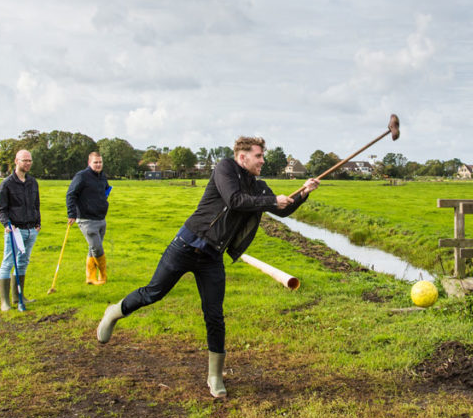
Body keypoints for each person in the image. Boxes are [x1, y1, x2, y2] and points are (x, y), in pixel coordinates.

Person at [96, 136, 319, 398]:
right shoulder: (224, 168)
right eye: (258, 156)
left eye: (262, 156)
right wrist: (270, 201)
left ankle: (214, 377)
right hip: (186, 245)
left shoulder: (259, 187)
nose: (263, 160)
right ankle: (114, 312)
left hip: (213, 256)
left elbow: (281, 210)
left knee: (214, 315)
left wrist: (303, 192)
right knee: (153, 293)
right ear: (242, 157)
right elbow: (235, 200)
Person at [0, 150, 41, 311]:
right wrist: (6, 225)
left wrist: (38, 223)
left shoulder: (33, 182)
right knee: (8, 263)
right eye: (24, 160)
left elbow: (36, 204)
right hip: (15, 230)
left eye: (29, 161)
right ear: (16, 161)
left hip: (31, 229)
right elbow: (1, 209)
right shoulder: (7, 184)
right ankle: (5, 301)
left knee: (23, 263)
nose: (27, 163)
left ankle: (18, 297)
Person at [66, 151, 111, 285]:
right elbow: (71, 194)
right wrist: (71, 214)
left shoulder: (102, 177)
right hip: (86, 219)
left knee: (93, 248)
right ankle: (103, 275)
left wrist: (103, 201)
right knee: (97, 248)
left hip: (101, 218)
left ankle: (90, 277)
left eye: (100, 162)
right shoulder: (82, 176)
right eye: (95, 162)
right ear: (89, 163)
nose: (98, 165)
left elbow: (106, 190)